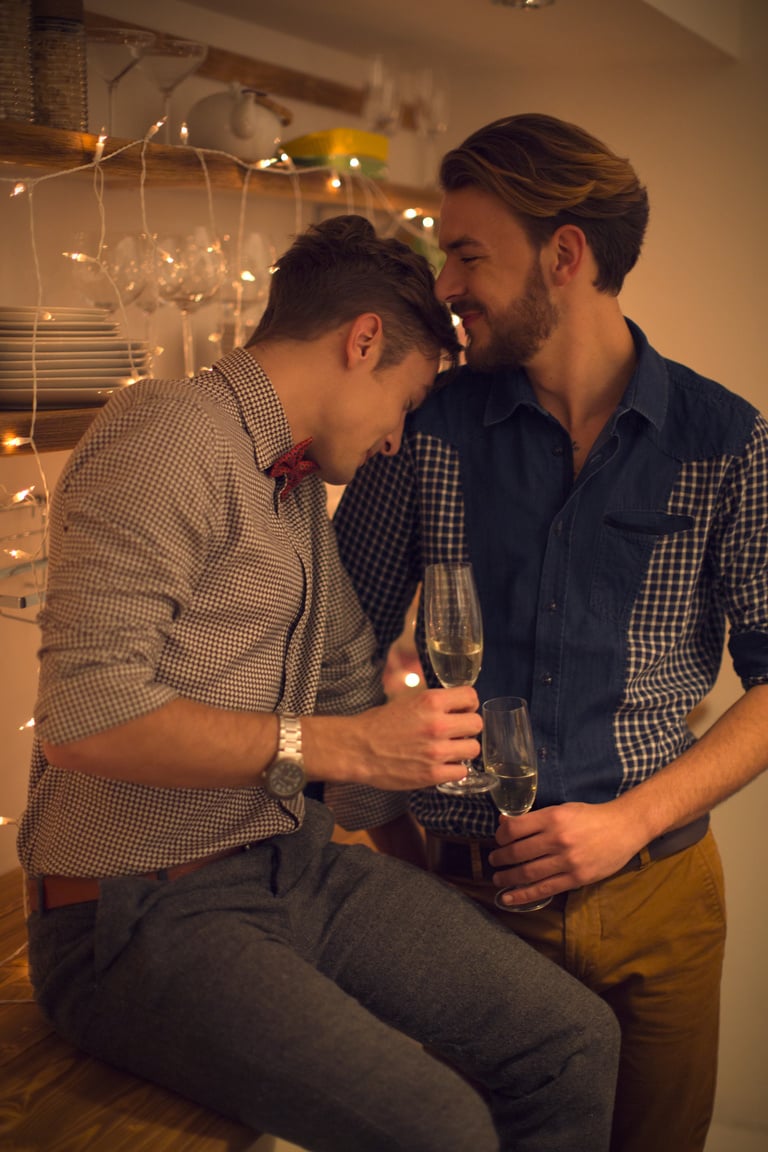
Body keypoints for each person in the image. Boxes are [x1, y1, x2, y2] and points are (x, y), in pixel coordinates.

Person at [16, 214, 620, 1152]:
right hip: (136, 910)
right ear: (363, 340)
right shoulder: (168, 435)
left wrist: (428, 756)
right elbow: (87, 720)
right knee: (443, 1128)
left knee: (573, 1041)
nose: (395, 442)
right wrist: (341, 743)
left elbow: (349, 732)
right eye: (408, 405)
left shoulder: (298, 496)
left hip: (294, 866)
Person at [332, 116, 768, 1152]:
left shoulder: (728, 442)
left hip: (662, 900)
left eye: (470, 252)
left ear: (565, 255)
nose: (447, 284)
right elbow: (334, 643)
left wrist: (625, 823)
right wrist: (389, 829)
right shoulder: (427, 428)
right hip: (460, 908)